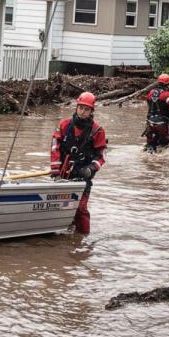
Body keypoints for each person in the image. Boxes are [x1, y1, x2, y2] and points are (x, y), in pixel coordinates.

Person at [50, 91, 107, 234]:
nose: (82, 111)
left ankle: (83, 238)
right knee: (62, 207)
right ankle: (65, 234)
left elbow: (101, 155)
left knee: (80, 209)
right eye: (80, 107)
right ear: (76, 107)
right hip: (63, 175)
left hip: (83, 176)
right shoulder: (64, 124)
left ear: (91, 111)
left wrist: (91, 168)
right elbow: (55, 147)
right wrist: (55, 170)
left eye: (86, 109)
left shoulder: (98, 130)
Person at [143, 73, 169, 152]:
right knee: (164, 146)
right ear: (168, 84)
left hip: (150, 123)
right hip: (162, 125)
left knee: (150, 146)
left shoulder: (151, 93)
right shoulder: (167, 95)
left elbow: (149, 103)